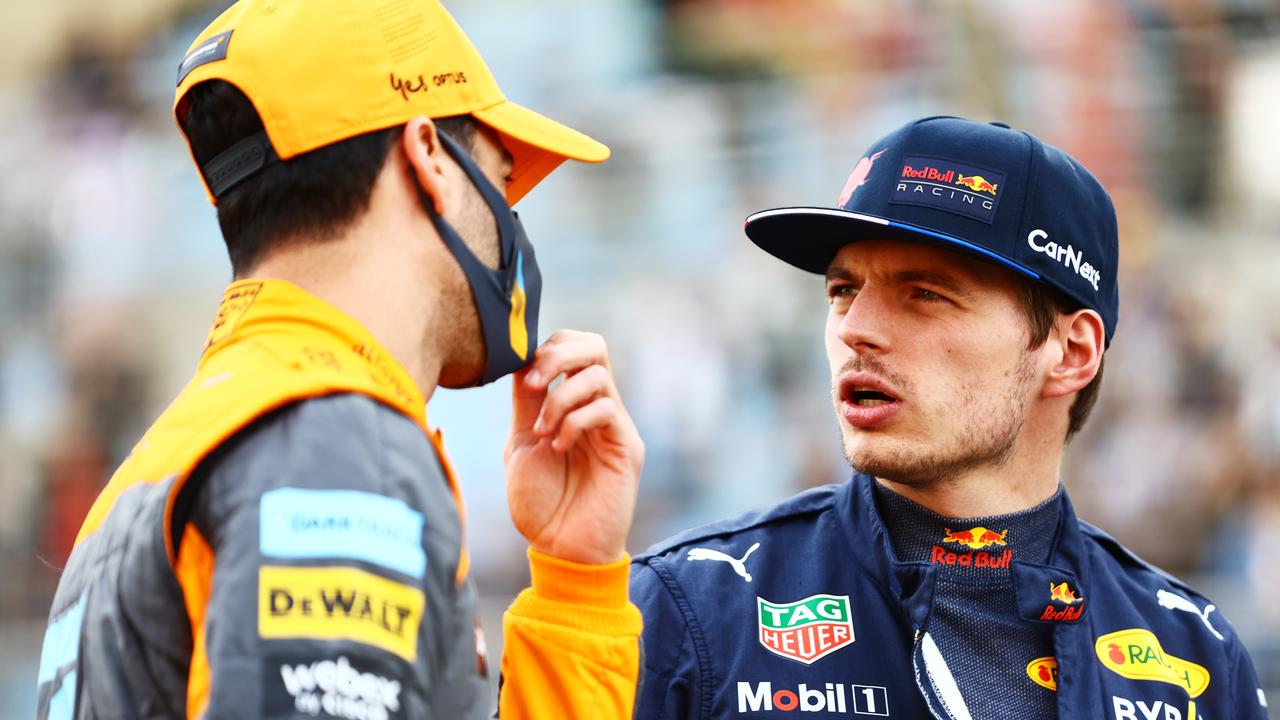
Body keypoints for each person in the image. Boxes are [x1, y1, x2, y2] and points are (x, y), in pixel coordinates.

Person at [35, 1, 645, 718]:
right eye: (502, 183)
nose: (510, 226)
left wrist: (574, 586)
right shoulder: (336, 445)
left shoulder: (161, 465)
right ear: (430, 160)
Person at [630, 116, 1269, 719]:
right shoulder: (690, 610)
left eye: (926, 295)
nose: (856, 329)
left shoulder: (1195, 656)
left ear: (1071, 353)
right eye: (843, 290)